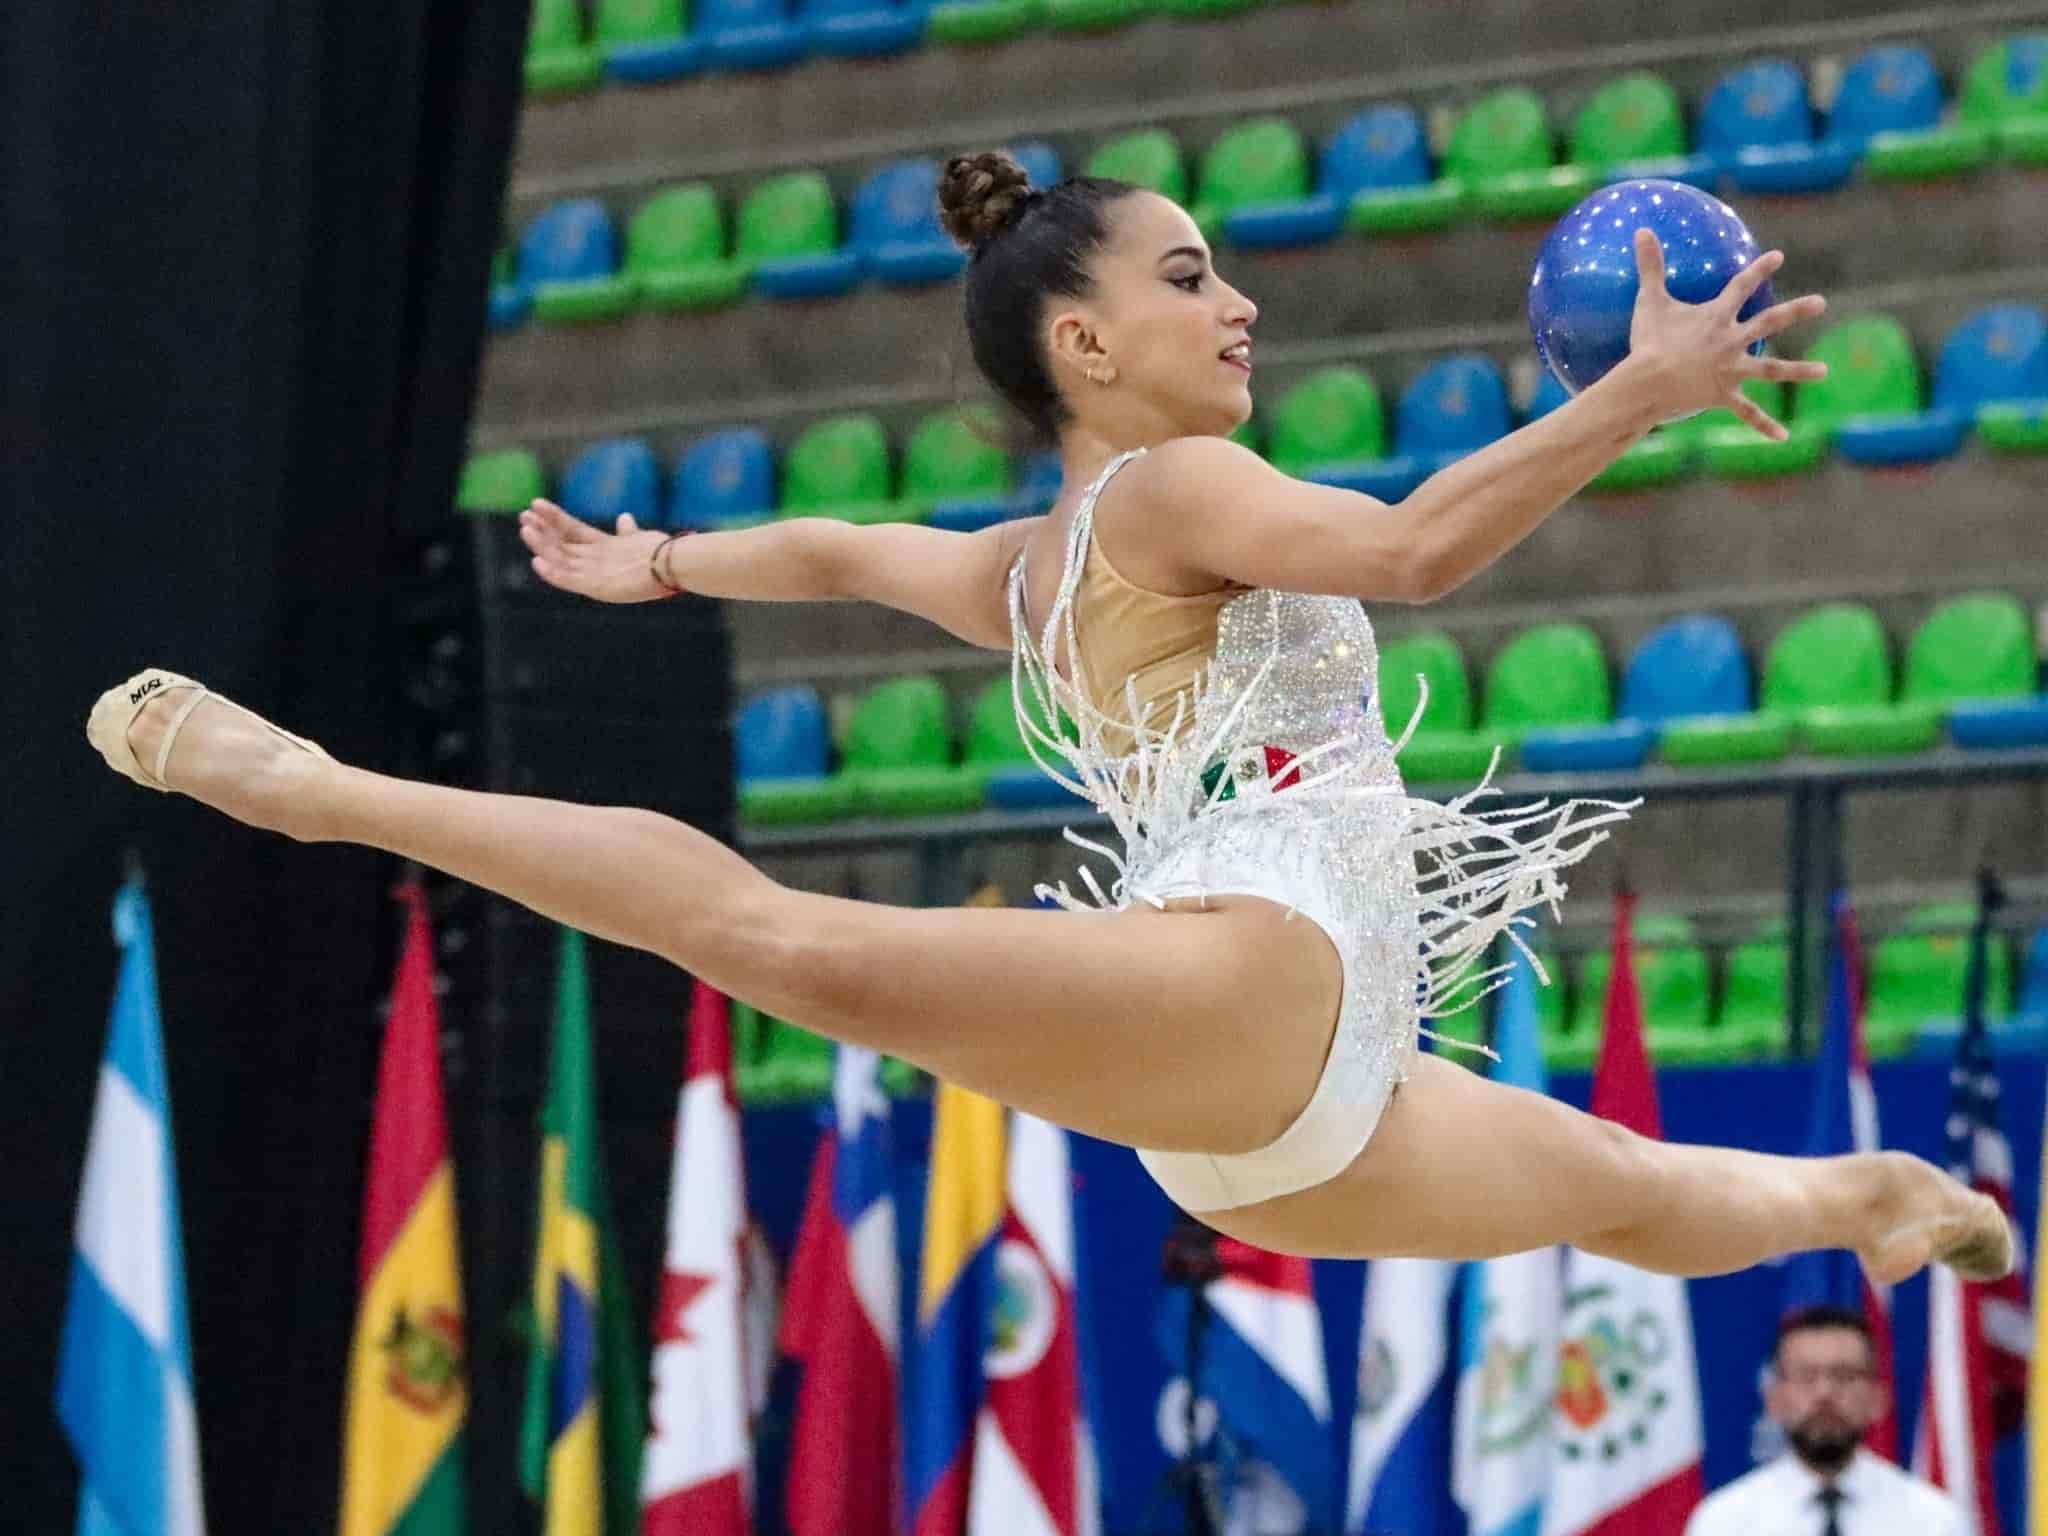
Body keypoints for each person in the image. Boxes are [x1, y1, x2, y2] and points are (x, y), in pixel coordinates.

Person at [86, 151, 2012, 1283]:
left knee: (1624, 1189)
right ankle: (330, 788)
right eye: (1192, 276)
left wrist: (662, 561)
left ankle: (1865, 1197)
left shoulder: (1024, 560)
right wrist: (1634, 393)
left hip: (1269, 1084)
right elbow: (1419, 549)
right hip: (1250, 978)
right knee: (778, 942)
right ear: (1084, 346)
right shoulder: (1168, 496)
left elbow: (839, 549)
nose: (1240, 304)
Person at [1684, 1306, 1965, 1536]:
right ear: (1774, 1399)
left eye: (1844, 1375)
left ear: (1877, 1397)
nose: (1825, 1393)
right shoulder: (1723, 1523)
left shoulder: (1934, 1521)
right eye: (1807, 1376)